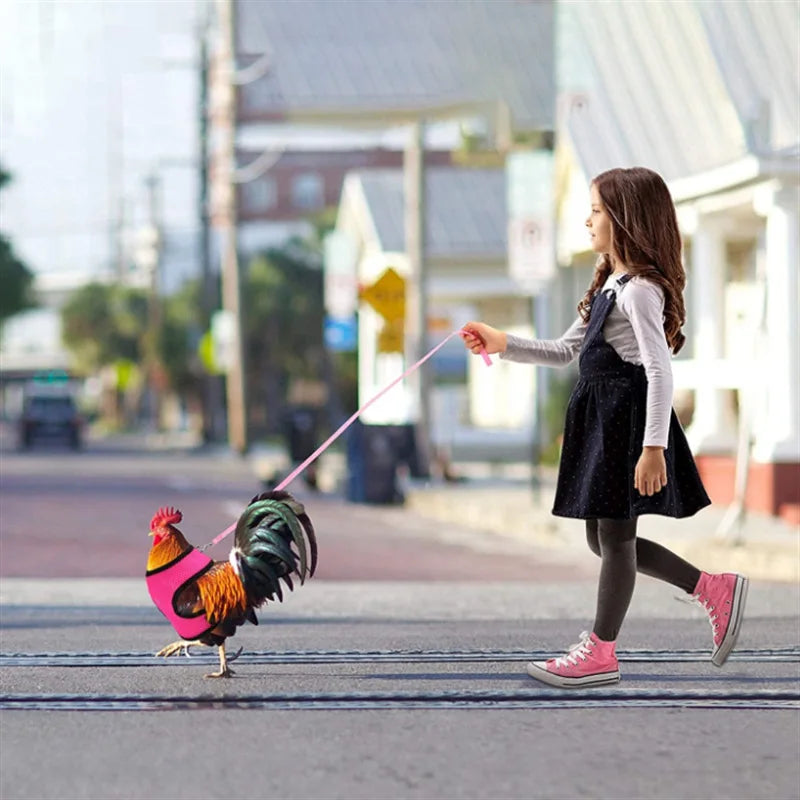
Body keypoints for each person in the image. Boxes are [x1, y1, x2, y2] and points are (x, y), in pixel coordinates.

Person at [462, 167, 748, 689]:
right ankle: (712, 588)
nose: (587, 219)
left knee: (616, 539)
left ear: (623, 218)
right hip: (604, 419)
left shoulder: (640, 291)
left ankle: (601, 651)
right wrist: (502, 342)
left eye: (595, 210)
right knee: (603, 539)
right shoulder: (610, 286)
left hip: (626, 423)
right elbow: (565, 351)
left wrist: (653, 447)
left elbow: (660, 369)